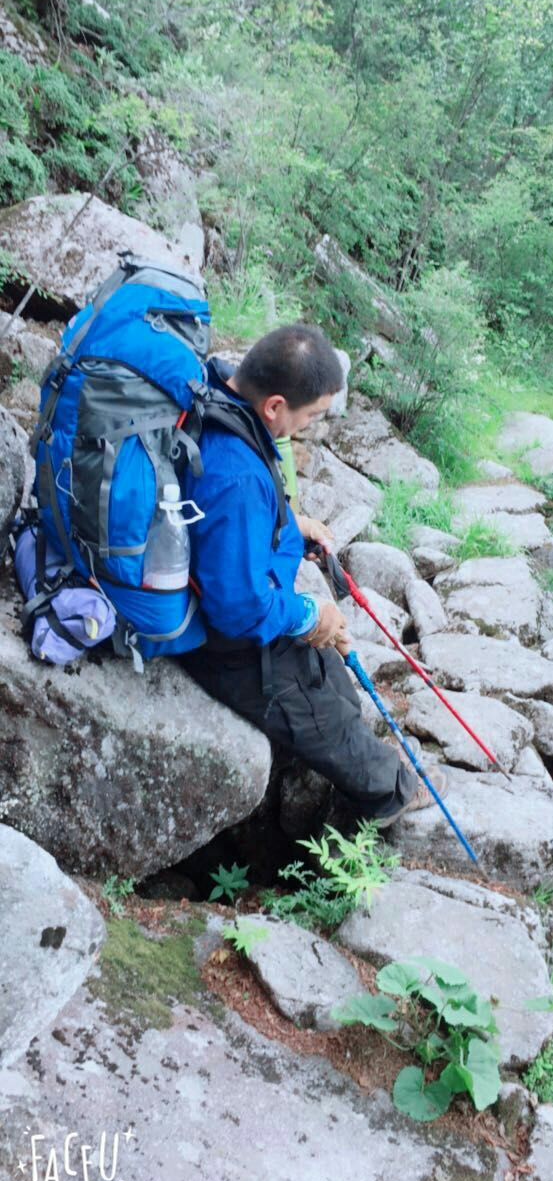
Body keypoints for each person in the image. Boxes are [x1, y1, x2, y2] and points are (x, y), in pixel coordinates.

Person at [180, 322, 448, 827]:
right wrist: (308, 611)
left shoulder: (218, 396)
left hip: (237, 601)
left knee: (328, 669)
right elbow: (239, 609)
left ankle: (352, 753)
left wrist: (289, 526)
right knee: (317, 695)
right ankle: (389, 791)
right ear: (275, 405)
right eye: (311, 414)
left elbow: (231, 532)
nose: (309, 425)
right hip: (227, 646)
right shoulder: (237, 474)